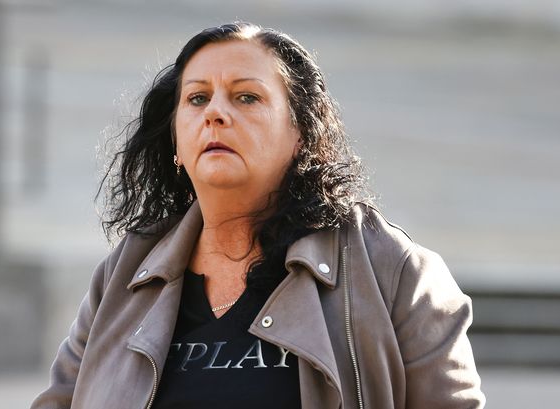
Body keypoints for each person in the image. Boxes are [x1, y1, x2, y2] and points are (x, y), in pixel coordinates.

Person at [31, 22, 485, 409]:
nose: (215, 113)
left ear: (301, 133)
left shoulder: (392, 270)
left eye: (246, 97)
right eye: (197, 98)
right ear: (176, 142)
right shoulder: (123, 274)